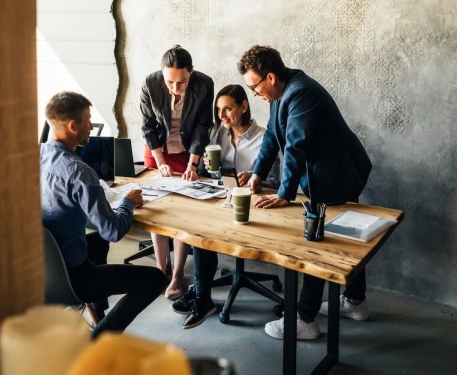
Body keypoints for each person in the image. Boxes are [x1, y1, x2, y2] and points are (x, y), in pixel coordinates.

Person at [236, 45, 372, 340]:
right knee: (342, 236)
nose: (255, 94)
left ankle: (304, 320)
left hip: (338, 174)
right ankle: (355, 302)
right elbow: (273, 134)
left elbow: (296, 146)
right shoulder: (280, 91)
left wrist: (285, 194)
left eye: (254, 87)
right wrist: (258, 173)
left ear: (270, 77)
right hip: (327, 172)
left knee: (316, 243)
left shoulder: (301, 92)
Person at [41, 91, 167, 338]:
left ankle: (99, 307)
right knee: (154, 279)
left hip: (39, 271)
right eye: (88, 120)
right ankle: (99, 338)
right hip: (72, 279)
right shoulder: (80, 172)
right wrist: (126, 204)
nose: (91, 126)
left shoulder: (34, 156)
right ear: (72, 126)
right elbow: (114, 231)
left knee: (97, 242)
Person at [172, 84, 281, 328]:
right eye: (219, 110)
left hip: (251, 209)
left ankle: (201, 296)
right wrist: (203, 169)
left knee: (203, 232)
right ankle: (201, 293)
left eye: (228, 109)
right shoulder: (219, 134)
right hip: (222, 203)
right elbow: (208, 173)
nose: (222, 116)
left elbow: (277, 182)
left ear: (244, 106)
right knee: (197, 225)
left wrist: (255, 177)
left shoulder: (265, 138)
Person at [140, 45, 214, 299]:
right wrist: (160, 161)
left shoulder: (204, 84)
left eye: (181, 82)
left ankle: (177, 275)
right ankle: (161, 269)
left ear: (191, 73)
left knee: (182, 211)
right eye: (169, 82)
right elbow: (148, 125)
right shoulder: (150, 83)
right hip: (158, 148)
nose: (175, 88)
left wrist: (193, 164)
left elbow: (203, 127)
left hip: (186, 150)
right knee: (156, 208)